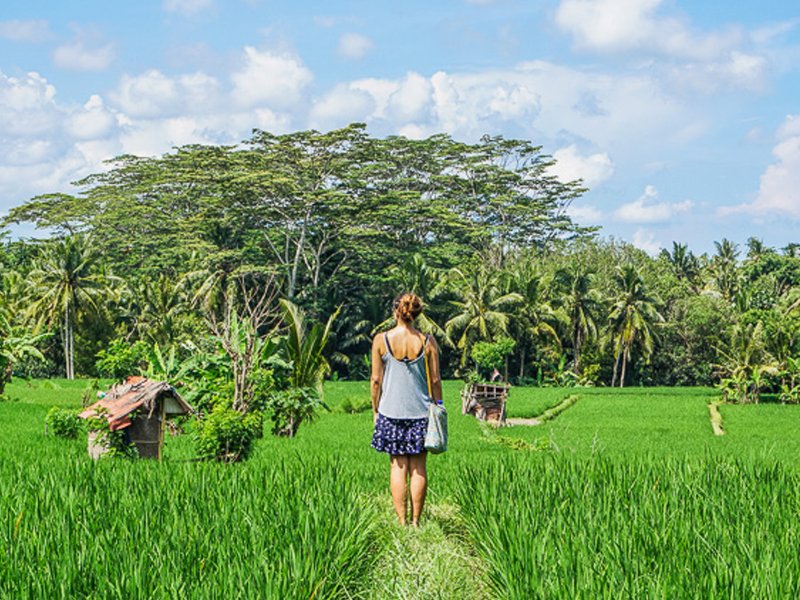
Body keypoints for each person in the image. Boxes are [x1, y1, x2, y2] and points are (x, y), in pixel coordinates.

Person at [370, 292, 443, 527]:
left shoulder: (381, 340)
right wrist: (438, 407)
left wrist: (375, 409)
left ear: (395, 311)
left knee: (397, 466)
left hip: (390, 412)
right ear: (417, 314)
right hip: (420, 413)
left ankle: (401, 521)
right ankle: (415, 522)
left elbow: (375, 380)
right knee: (418, 467)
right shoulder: (427, 341)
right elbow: (435, 380)